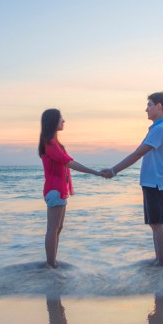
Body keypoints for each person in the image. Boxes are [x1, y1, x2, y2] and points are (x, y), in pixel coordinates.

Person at [101, 92, 163, 265]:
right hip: (150, 183)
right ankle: (159, 262)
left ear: (159, 107)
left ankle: (162, 264)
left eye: (149, 105)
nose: (146, 109)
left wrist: (114, 170)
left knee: (158, 224)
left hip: (155, 183)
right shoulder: (156, 128)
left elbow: (138, 153)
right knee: (154, 224)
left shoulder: (160, 129)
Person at [39, 108, 103, 268]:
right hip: (55, 190)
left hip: (59, 190)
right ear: (53, 121)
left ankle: (52, 263)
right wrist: (95, 172)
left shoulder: (54, 143)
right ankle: (51, 264)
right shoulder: (50, 144)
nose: (64, 121)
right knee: (53, 229)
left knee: (57, 228)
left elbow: (67, 162)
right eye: (61, 118)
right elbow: (69, 162)